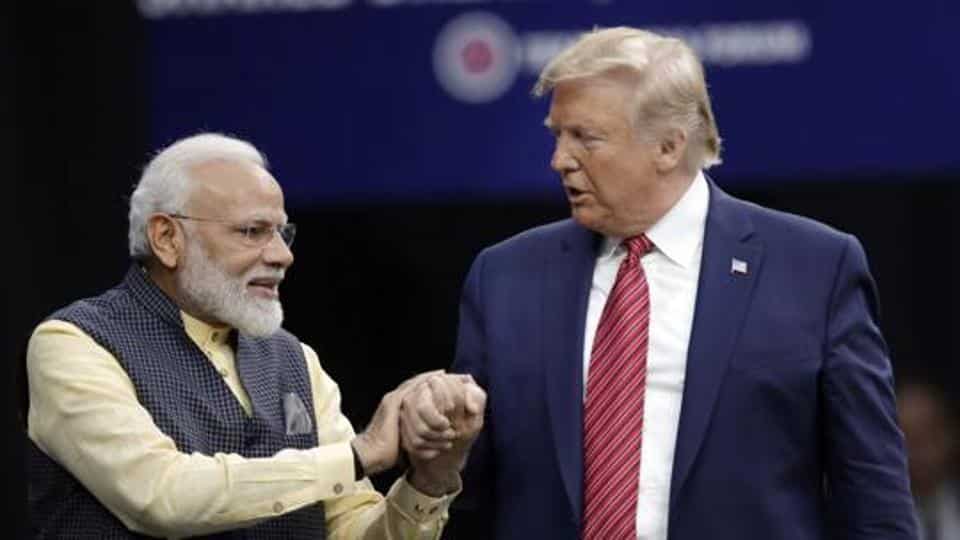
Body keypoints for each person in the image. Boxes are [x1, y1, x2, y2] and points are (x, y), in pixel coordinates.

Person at [449, 26, 917, 539]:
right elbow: (463, 491)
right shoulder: (505, 278)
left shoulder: (815, 269)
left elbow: (874, 496)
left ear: (669, 146)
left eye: (585, 137)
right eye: (557, 134)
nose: (560, 159)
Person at [25, 132, 486, 538]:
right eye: (252, 231)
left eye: (282, 232)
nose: (283, 255)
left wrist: (429, 480)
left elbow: (350, 530)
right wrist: (358, 455)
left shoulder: (295, 359)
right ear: (166, 238)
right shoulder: (75, 344)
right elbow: (161, 494)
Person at [898, 378, 960, 539]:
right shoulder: (872, 519)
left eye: (929, 436)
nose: (919, 451)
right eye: (909, 439)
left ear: (951, 435)